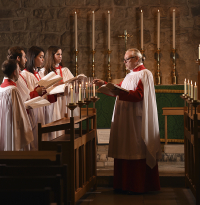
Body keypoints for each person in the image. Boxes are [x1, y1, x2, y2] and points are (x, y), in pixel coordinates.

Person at [93, 48, 161, 193]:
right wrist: (104, 84)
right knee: (126, 146)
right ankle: (123, 184)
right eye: (124, 60)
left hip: (136, 120)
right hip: (125, 118)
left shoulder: (145, 74)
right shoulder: (130, 75)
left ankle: (137, 185)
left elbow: (138, 95)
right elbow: (120, 90)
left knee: (135, 147)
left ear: (137, 59)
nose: (124, 62)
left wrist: (118, 91)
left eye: (127, 59)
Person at [7, 46, 45, 150]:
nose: (26, 59)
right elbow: (24, 98)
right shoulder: (18, 77)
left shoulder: (19, 75)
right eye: (24, 57)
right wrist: (36, 92)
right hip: (25, 114)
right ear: (18, 58)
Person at [0, 59, 33, 151]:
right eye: (18, 70)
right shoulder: (13, 90)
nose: (19, 72)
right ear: (14, 72)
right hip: (11, 128)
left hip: (2, 126)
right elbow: (19, 115)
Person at [41, 46, 79, 139]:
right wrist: (55, 85)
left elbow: (74, 86)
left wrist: (73, 85)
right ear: (51, 55)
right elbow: (42, 88)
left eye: (61, 54)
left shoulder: (65, 70)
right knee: (54, 125)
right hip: (53, 102)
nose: (60, 56)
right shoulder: (43, 71)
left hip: (64, 100)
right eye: (58, 54)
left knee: (65, 126)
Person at [21, 46, 57, 142]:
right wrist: (37, 92)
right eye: (40, 57)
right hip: (32, 111)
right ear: (33, 57)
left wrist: (55, 91)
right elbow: (25, 96)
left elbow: (44, 91)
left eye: (43, 57)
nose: (43, 59)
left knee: (40, 137)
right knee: (34, 139)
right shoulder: (24, 75)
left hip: (40, 109)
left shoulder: (37, 73)